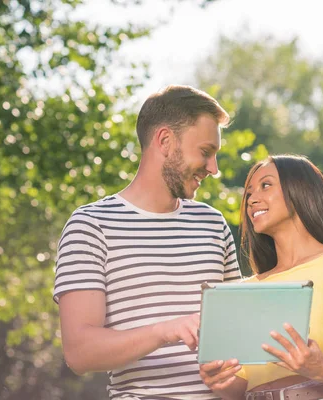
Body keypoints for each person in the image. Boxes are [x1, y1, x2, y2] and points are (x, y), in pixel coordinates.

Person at [53, 85, 242, 400]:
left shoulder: (213, 223)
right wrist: (164, 331)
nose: (213, 169)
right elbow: (79, 352)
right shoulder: (91, 226)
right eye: (206, 152)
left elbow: (240, 336)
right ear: (165, 141)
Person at [199, 155, 323, 400]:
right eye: (248, 193)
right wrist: (219, 382)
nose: (251, 200)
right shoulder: (247, 289)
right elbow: (241, 387)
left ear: (300, 190)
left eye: (265, 185)